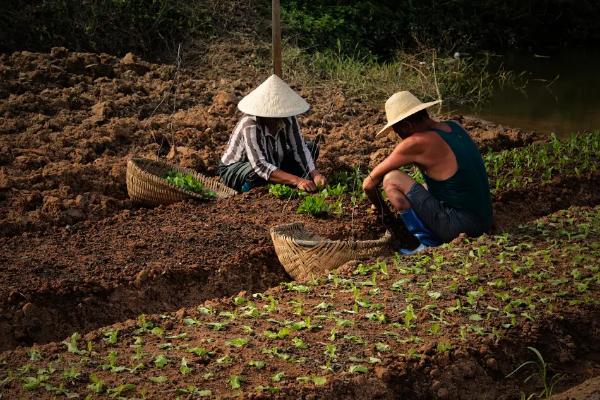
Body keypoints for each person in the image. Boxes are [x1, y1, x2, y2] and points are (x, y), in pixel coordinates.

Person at [362, 91, 492, 252]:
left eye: (397, 131)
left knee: (391, 179)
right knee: (425, 186)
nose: (399, 137)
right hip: (484, 220)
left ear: (407, 126)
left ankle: (424, 243)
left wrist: (385, 214)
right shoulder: (454, 127)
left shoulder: (416, 143)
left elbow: (368, 183)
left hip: (459, 228)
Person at [219, 74, 327, 193]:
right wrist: (297, 180)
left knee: (311, 148)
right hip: (239, 167)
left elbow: (299, 148)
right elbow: (260, 165)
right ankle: (252, 189)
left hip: (273, 160)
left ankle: (278, 178)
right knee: (255, 174)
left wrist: (315, 174)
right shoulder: (251, 124)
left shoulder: (288, 118)